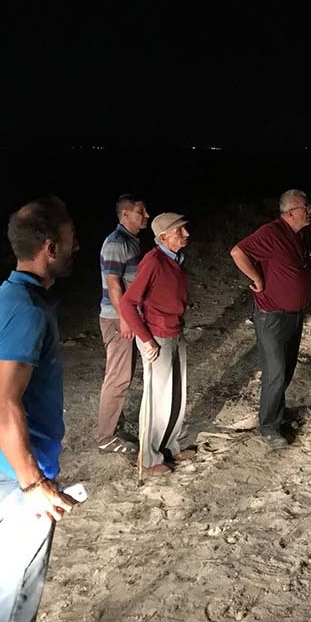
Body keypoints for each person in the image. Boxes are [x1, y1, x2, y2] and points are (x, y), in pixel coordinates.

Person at [0, 197, 80, 622]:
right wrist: (33, 483)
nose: (75, 247)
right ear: (49, 248)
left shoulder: (4, 298)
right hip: (13, 480)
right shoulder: (26, 311)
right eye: (70, 240)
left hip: (2, 469)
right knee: (12, 599)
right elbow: (4, 402)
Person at [230, 191, 311, 450]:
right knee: (275, 371)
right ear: (290, 213)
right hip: (272, 316)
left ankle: (276, 413)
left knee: (285, 369)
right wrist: (257, 279)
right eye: (305, 207)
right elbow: (238, 252)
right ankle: (269, 427)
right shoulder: (272, 233)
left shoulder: (303, 233)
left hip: (294, 314)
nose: (310, 210)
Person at [120, 213, 195, 476]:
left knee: (177, 394)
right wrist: (146, 339)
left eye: (184, 229)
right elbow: (127, 303)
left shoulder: (175, 259)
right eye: (179, 231)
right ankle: (148, 459)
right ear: (163, 237)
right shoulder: (153, 262)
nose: (186, 234)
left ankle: (169, 448)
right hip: (157, 335)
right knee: (158, 398)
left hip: (174, 330)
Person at [96, 195, 150, 457]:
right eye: (141, 211)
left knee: (122, 374)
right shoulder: (117, 243)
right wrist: (126, 318)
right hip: (117, 318)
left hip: (123, 316)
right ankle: (106, 437)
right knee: (118, 378)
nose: (146, 215)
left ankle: (114, 425)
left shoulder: (129, 241)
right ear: (125, 214)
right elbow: (114, 284)